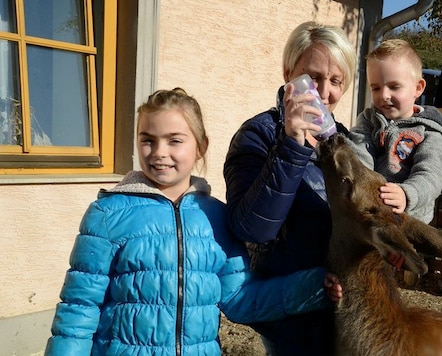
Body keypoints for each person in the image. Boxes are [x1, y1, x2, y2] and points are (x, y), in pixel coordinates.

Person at [45, 88, 338, 356]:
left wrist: (313, 286)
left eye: (174, 140)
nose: (159, 152)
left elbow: (239, 298)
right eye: (148, 140)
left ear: (200, 147)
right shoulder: (107, 214)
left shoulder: (216, 218)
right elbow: (78, 312)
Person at [223, 21, 357, 355]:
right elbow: (251, 228)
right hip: (290, 309)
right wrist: (293, 145)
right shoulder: (258, 135)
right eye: (312, 78)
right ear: (288, 74)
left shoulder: (344, 142)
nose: (324, 92)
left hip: (342, 309)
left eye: (336, 81)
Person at [348, 39, 442, 224]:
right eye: (375, 88)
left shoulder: (429, 133)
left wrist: (407, 193)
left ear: (418, 88)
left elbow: (430, 175)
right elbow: (360, 154)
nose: (384, 95)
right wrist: (365, 189)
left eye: (394, 86)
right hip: (370, 214)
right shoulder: (368, 121)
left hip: (409, 222)